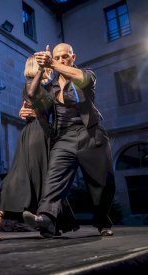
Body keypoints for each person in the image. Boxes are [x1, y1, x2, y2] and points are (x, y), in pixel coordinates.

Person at [22, 43, 116, 237]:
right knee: (54, 179)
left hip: (91, 133)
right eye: (57, 57)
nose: (61, 59)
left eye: (65, 56)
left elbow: (82, 79)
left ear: (73, 57)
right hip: (63, 137)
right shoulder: (50, 88)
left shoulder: (86, 74)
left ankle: (102, 221)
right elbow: (32, 95)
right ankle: (46, 219)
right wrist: (42, 69)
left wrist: (52, 64)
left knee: (102, 183)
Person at [0, 55, 79, 241]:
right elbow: (31, 94)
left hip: (46, 135)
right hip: (35, 134)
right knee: (23, 175)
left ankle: (47, 222)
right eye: (42, 62)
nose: (47, 64)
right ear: (36, 66)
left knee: (44, 178)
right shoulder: (31, 83)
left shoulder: (51, 85)